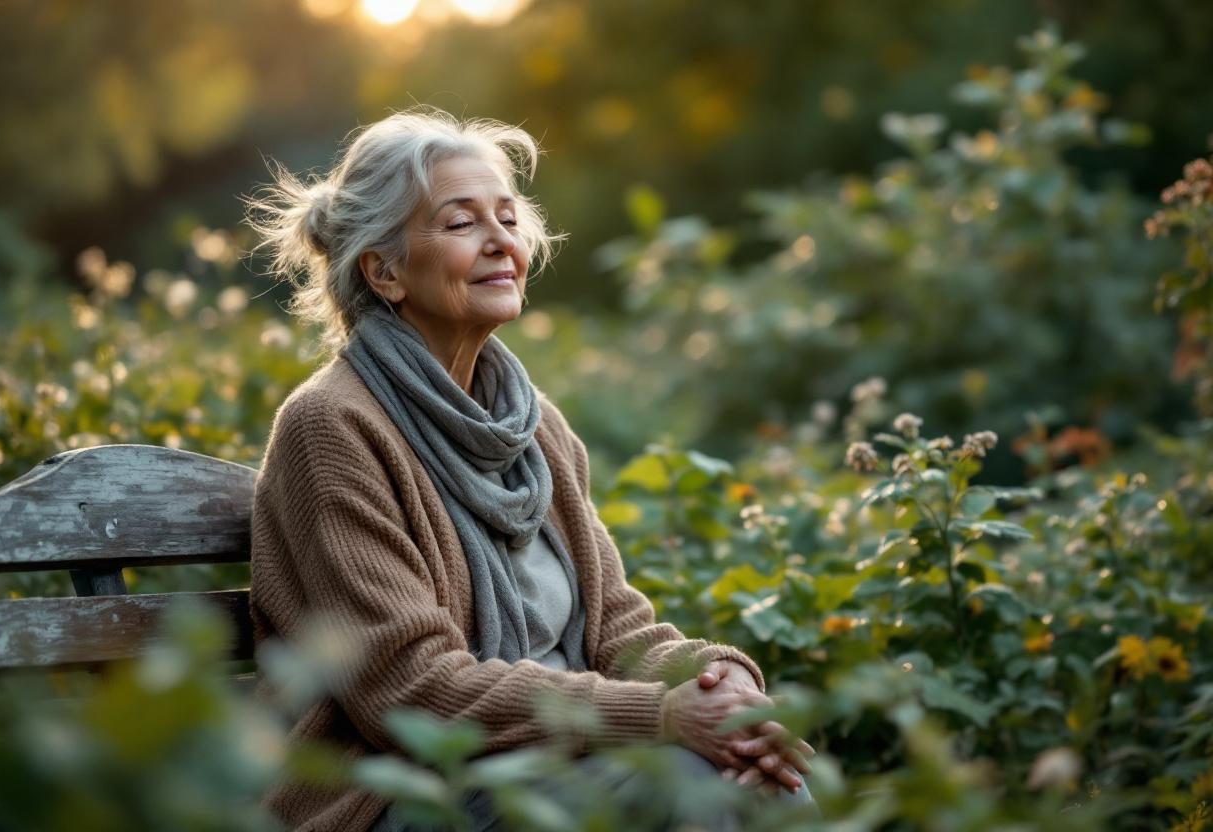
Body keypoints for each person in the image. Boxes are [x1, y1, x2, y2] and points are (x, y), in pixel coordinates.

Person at [246, 107, 813, 832]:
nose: (499, 242)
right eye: (461, 224)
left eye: (508, 219)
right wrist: (663, 717)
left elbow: (613, 625)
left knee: (766, 776)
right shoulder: (332, 426)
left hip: (561, 764)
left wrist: (719, 685)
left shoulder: (531, 422)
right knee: (688, 779)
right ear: (383, 271)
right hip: (403, 790)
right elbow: (409, 688)